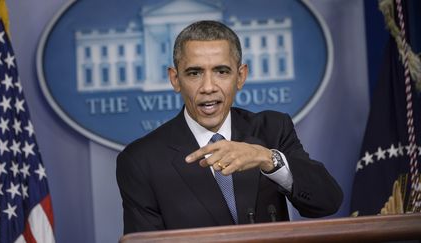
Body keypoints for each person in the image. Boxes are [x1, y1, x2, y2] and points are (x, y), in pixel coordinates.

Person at [116, 20, 343, 234]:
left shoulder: (272, 129)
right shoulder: (140, 160)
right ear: (175, 79)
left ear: (241, 76)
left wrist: (268, 158)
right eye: (194, 73)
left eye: (221, 71)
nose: (208, 87)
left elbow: (327, 202)